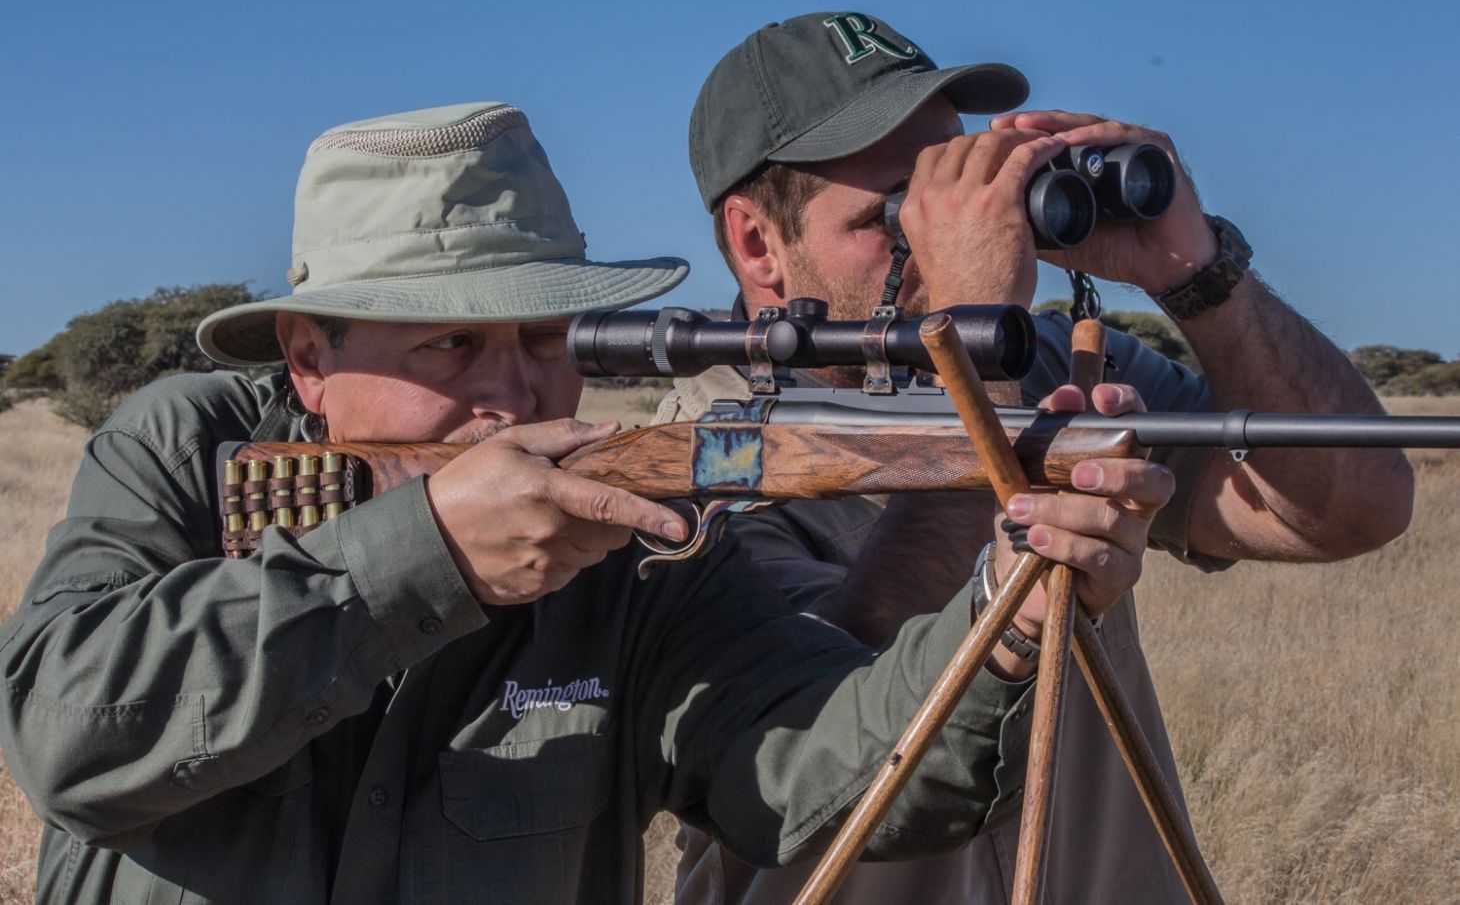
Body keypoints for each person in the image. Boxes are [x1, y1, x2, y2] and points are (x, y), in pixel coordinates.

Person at [0, 101, 1166, 905]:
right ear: (308, 358)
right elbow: (68, 733)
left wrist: (1004, 618)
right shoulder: (191, 447)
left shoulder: (622, 541)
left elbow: (819, 779)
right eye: (454, 346)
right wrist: (426, 560)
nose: (511, 396)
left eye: (547, 342)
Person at [667, 13, 1415, 904]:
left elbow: (1352, 508)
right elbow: (830, 725)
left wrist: (1196, 271)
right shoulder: (691, 455)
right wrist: (975, 354)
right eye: (900, 210)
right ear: (757, 242)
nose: (950, 232)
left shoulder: (1051, 359)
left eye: (957, 185)